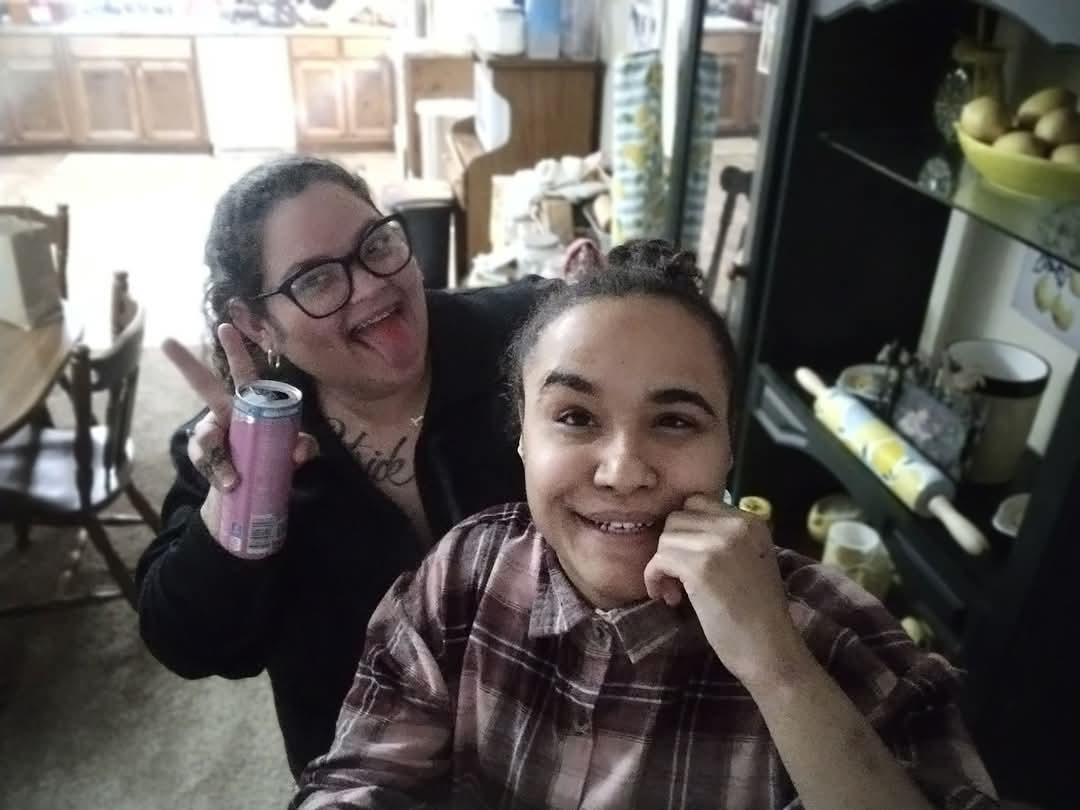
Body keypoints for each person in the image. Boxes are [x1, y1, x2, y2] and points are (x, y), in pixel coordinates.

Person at [292, 240, 998, 810]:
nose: (624, 471)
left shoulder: (834, 632)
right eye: (575, 417)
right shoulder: (464, 576)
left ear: (728, 445)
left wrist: (778, 668)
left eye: (676, 421)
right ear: (522, 435)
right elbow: (362, 777)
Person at [135, 155, 549, 779]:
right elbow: (190, 644)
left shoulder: (526, 339)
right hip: (371, 777)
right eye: (316, 280)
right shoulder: (236, 441)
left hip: (554, 744)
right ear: (255, 323)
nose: (371, 286)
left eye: (376, 245)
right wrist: (246, 498)